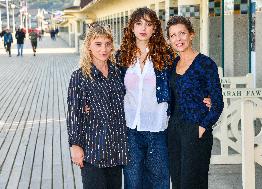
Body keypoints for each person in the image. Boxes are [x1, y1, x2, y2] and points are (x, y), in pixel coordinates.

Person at [116, 8, 211, 189]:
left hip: (158, 128)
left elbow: (182, 81)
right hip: (130, 129)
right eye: (139, 23)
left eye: (149, 24)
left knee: (160, 181)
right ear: (132, 28)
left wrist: (206, 97)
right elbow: (112, 87)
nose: (143, 28)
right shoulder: (122, 56)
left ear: (155, 29)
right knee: (133, 182)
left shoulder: (166, 56)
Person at [66, 24, 128, 189]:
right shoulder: (79, 77)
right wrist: (75, 146)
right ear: (88, 46)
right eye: (98, 44)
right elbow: (74, 114)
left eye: (108, 43)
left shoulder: (118, 73)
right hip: (93, 150)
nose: (104, 49)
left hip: (116, 148)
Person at [166, 16, 224, 189]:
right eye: (173, 35)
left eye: (182, 33)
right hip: (174, 131)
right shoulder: (172, 64)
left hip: (196, 130)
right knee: (177, 182)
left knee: (192, 183)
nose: (178, 39)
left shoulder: (206, 64)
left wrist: (201, 128)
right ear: (169, 40)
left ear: (192, 34)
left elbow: (218, 103)